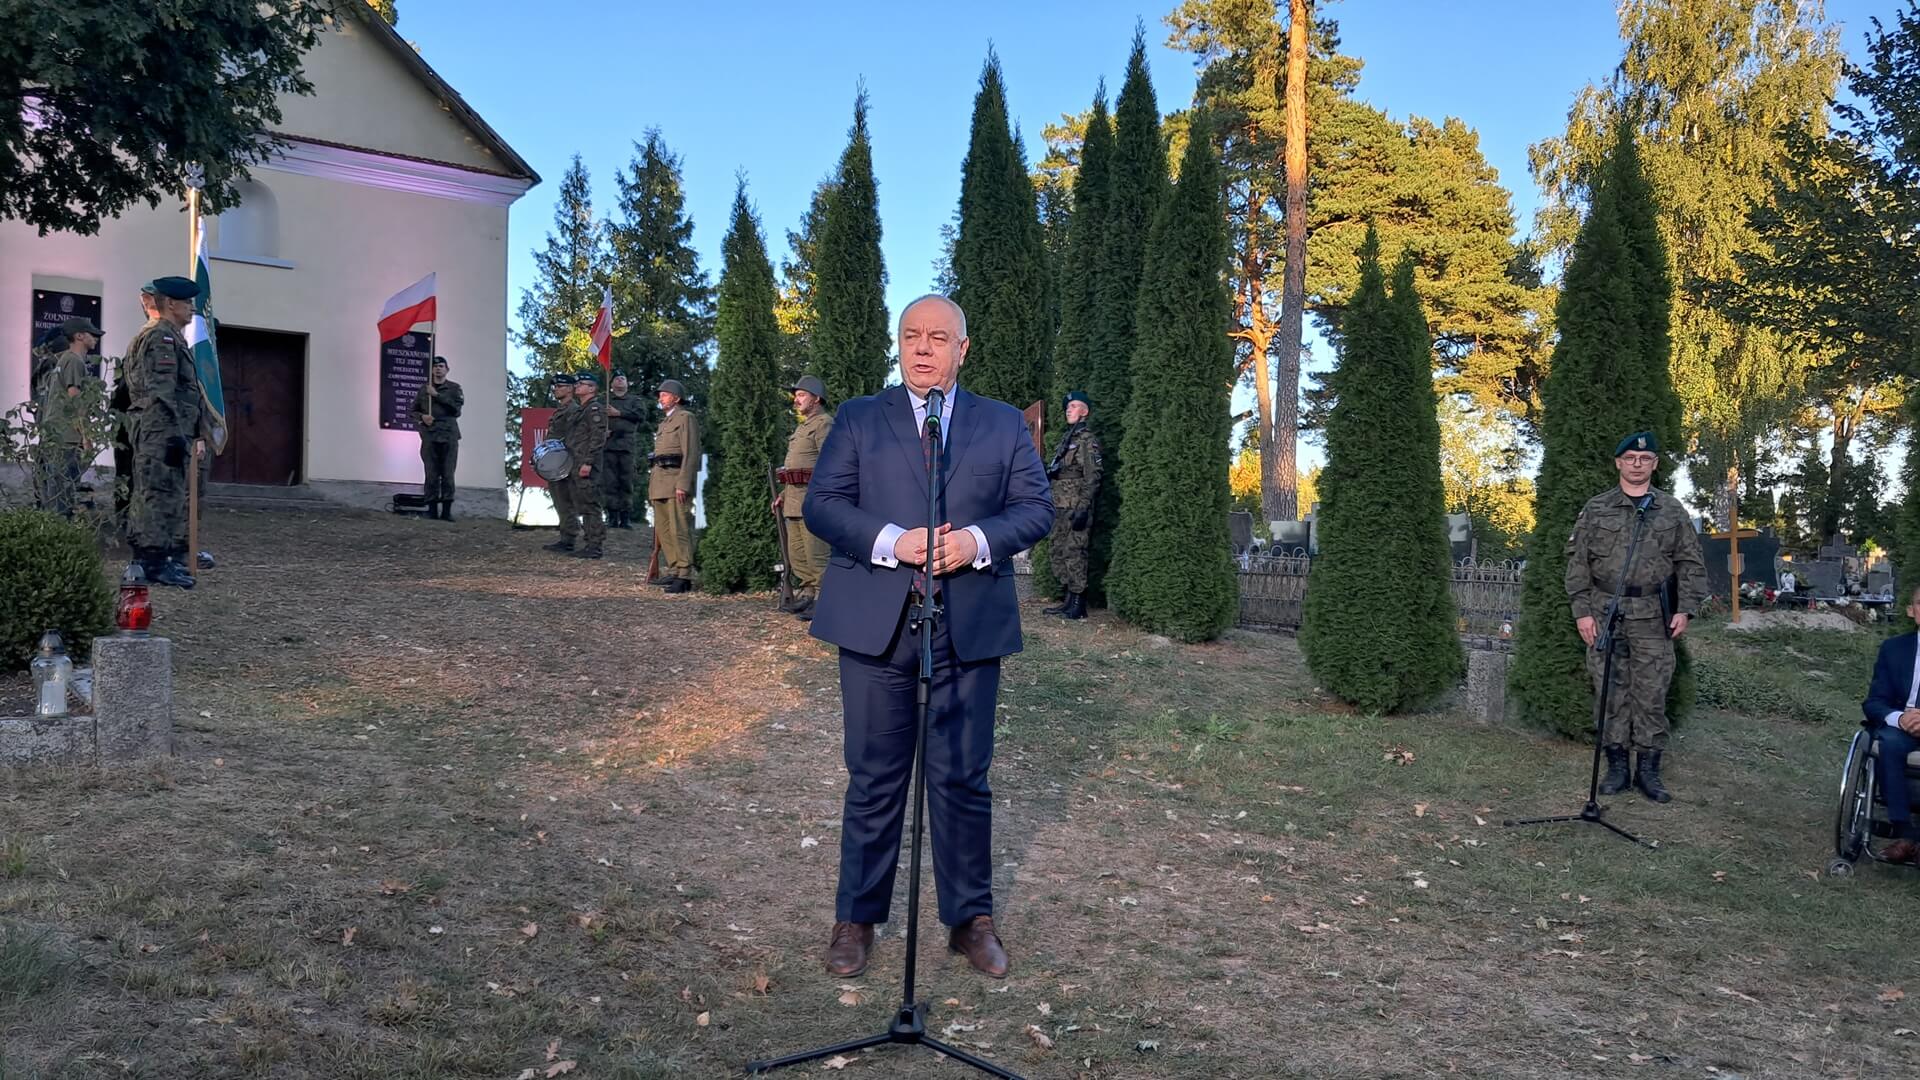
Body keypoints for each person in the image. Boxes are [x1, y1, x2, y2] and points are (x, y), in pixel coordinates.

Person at [802, 295, 1053, 980]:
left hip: (968, 627)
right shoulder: (860, 418)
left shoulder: (1001, 424)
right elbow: (823, 505)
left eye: (938, 338)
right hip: (876, 627)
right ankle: (856, 919)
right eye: (911, 335)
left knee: (963, 779)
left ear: (961, 350)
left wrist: (975, 541)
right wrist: (892, 540)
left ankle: (971, 919)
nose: (922, 348)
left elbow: (1035, 509)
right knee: (874, 777)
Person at [1564, 432, 1708, 803]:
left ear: (1654, 464)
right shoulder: (1597, 508)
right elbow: (1578, 563)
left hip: (1653, 616)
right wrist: (1582, 612)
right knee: (1609, 692)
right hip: (1605, 612)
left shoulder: (1671, 510)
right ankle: (1616, 768)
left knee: (1651, 693)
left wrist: (1685, 608)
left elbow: (1690, 562)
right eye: (1630, 458)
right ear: (1618, 463)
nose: (1637, 464)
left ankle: (1648, 770)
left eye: (1644, 459)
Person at [122, 278, 204, 589]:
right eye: (187, 303)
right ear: (170, 304)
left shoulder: (169, 335)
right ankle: (152, 561)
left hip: (165, 428)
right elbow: (161, 391)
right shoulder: (160, 337)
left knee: (166, 492)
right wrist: (172, 433)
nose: (192, 309)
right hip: (160, 428)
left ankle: (162, 556)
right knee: (158, 493)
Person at [1861, 585, 1920, 865]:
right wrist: (1900, 718)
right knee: (1889, 744)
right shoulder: (1893, 649)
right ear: (1911, 611)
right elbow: (1874, 701)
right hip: (1901, 725)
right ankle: (1905, 834)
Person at [774, 374, 833, 620]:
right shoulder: (802, 427)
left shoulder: (824, 424)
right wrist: (782, 494)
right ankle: (808, 593)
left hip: (812, 500)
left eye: (801, 395)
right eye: (795, 396)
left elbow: (829, 464)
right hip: (793, 500)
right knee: (798, 554)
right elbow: (794, 468)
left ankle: (824, 600)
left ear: (816, 398)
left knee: (816, 554)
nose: (796, 400)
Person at [1042, 390, 1102, 621]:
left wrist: (1083, 507)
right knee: (1058, 550)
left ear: (1085, 411)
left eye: (1074, 406)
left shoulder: (1087, 441)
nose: (1069, 410)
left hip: (1076, 505)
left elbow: (1093, 475)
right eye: (1068, 407)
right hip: (1059, 504)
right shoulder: (1068, 439)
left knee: (1074, 552)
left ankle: (1078, 604)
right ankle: (1068, 600)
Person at [36, 318, 103, 519]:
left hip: (55, 435)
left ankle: (55, 529)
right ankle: (60, 533)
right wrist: (86, 436)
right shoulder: (74, 361)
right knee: (64, 495)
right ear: (79, 336)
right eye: (92, 334)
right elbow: (75, 400)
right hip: (66, 438)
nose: (96, 338)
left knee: (56, 492)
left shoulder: (64, 359)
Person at [649, 378, 701, 592]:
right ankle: (674, 569)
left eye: (665, 394)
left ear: (676, 398)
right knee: (664, 529)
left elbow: (691, 452)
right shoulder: (664, 423)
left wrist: (683, 483)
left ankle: (684, 574)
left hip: (675, 480)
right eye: (660, 395)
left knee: (679, 528)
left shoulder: (685, 418)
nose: (660, 398)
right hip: (659, 481)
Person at [411, 356, 463, 521]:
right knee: (431, 473)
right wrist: (422, 417)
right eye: (435, 367)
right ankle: (432, 510)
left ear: (447, 369)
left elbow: (456, 410)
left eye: (441, 366)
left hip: (448, 435)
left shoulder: (454, 388)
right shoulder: (424, 389)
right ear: (431, 370)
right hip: (430, 435)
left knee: (448, 474)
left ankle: (446, 511)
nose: (438, 369)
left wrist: (437, 395)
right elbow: (412, 411)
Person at [564, 371, 609, 559]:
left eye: (581, 384)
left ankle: (594, 545)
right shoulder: (581, 410)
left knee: (590, 504)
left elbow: (597, 437)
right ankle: (589, 542)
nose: (577, 386)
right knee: (582, 504)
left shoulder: (594, 409)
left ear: (592, 388)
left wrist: (588, 462)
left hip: (586, 464)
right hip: (576, 462)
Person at [543, 374, 580, 553]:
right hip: (556, 461)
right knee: (559, 499)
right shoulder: (561, 410)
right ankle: (565, 536)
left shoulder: (573, 410)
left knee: (565, 500)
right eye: (555, 387)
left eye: (560, 386)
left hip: (565, 461)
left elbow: (573, 437)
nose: (555, 389)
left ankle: (569, 538)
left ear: (570, 388)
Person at [602, 372, 640, 529]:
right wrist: (601, 431)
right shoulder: (604, 401)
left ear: (627, 384)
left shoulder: (634, 401)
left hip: (626, 446)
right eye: (616, 378)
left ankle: (625, 517)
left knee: (626, 481)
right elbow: (594, 418)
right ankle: (612, 516)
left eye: (623, 378)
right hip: (608, 446)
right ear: (611, 384)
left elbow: (640, 415)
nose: (619, 380)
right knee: (609, 482)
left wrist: (619, 413)